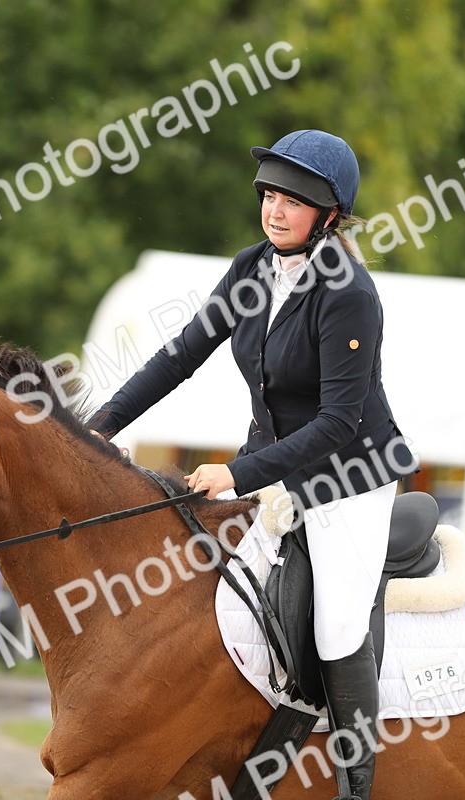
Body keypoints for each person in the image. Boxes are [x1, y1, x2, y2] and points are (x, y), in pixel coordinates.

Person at [87, 130, 417, 800]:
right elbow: (179, 358)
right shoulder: (250, 270)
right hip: (272, 469)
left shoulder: (347, 291)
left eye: (293, 202)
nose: (274, 210)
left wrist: (239, 475)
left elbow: (337, 423)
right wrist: (98, 428)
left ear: (328, 215)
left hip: (349, 476)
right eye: (269, 194)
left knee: (337, 623)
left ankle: (357, 783)